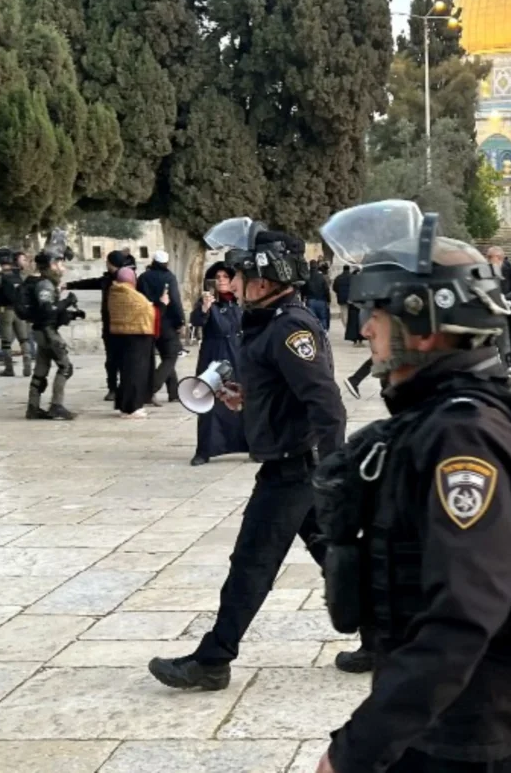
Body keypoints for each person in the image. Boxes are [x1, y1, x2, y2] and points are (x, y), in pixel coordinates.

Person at [307, 201, 511, 773]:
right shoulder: (442, 418)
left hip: (468, 739)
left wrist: (356, 749)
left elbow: (463, 617)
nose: (365, 326)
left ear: (423, 324)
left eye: (379, 311)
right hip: (445, 725)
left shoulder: (462, 438)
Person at [149, 216, 358, 692]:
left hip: (295, 471)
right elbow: (285, 391)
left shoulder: (290, 330)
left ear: (263, 281)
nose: (233, 284)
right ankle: (388, 635)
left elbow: (327, 406)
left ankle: (213, 659)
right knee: (335, 556)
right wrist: (246, 397)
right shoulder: (268, 324)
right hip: (292, 464)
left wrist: (333, 472)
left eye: (240, 276)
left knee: (251, 564)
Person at [190, 264, 248, 464]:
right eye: (218, 276)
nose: (222, 280)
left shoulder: (239, 303)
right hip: (214, 357)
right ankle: (204, 450)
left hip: (238, 355)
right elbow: (196, 320)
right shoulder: (209, 302)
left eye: (226, 276)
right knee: (211, 402)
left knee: (242, 399)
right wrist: (205, 309)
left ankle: (249, 445)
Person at [24, 251, 80, 421]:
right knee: (65, 368)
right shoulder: (45, 285)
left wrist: (69, 314)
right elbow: (47, 309)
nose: (61, 268)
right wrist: (67, 301)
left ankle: (33, 407)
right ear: (50, 266)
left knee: (40, 371)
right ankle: (56, 406)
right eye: (58, 264)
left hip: (41, 331)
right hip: (47, 332)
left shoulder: (45, 283)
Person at [66, 251, 127, 400]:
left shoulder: (126, 279)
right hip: (110, 325)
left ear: (110, 263)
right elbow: (91, 282)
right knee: (112, 359)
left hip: (123, 325)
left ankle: (122, 387)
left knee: (121, 358)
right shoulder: (107, 279)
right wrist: (69, 285)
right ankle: (113, 388)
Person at [108, 267, 156, 418]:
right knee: (136, 372)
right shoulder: (129, 293)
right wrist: (159, 305)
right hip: (137, 336)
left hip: (120, 336)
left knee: (126, 372)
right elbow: (145, 309)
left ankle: (124, 405)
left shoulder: (114, 291)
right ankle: (132, 407)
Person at [138, 250, 183, 403]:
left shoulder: (143, 277)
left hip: (148, 321)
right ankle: (150, 389)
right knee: (171, 356)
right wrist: (180, 322)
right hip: (167, 323)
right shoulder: (169, 277)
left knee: (167, 356)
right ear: (166, 263)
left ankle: (174, 393)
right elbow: (175, 301)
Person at [0, 249, 34, 378]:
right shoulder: (21, 275)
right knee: (24, 339)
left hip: (4, 310)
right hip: (20, 311)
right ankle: (27, 365)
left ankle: (9, 368)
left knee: (6, 341)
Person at [305, 261, 332, 331]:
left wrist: (303, 298)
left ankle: (314, 332)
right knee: (323, 318)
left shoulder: (307, 276)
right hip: (321, 300)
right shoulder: (321, 277)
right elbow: (326, 289)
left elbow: (303, 289)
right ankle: (324, 333)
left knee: (311, 319)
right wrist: (328, 300)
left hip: (310, 300)